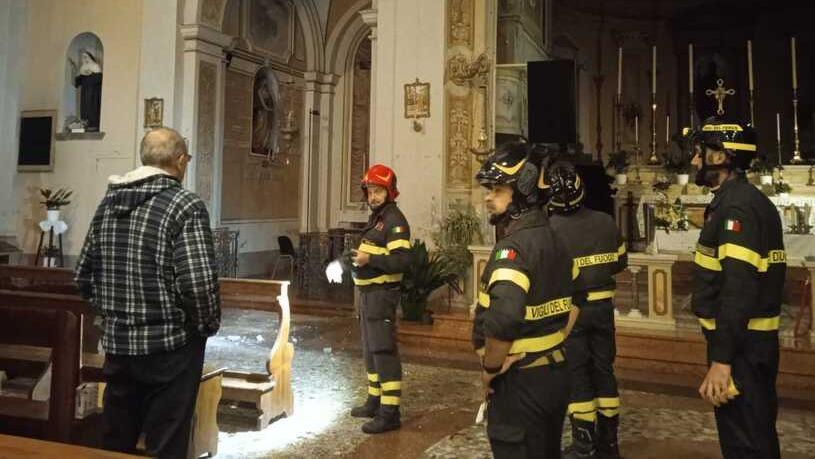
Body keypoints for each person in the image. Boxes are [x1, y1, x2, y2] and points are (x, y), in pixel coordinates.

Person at [75, 127, 221, 458]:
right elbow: (197, 284)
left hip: (119, 347)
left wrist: (114, 315)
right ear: (180, 161)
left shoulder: (108, 204)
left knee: (117, 443)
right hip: (170, 348)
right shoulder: (185, 205)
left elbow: (83, 275)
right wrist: (205, 325)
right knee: (166, 444)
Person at [471, 141, 583, 458]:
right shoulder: (555, 239)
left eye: (497, 190)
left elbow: (504, 320)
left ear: (523, 191)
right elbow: (578, 298)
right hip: (555, 372)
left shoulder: (513, 249)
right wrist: (551, 340)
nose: (488, 197)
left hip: (520, 380)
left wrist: (491, 368)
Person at [689, 119, 785, 459]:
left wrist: (722, 359)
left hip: (743, 347)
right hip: (746, 342)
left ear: (719, 157)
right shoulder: (739, 200)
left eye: (699, 153)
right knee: (752, 432)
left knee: (746, 440)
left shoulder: (737, 208)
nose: (694, 161)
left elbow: (738, 288)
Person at [547, 162, 627, 459]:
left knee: (577, 373)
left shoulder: (551, 229)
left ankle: (583, 445)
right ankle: (609, 443)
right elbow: (620, 262)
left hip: (572, 312)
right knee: (604, 370)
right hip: (603, 309)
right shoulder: (606, 222)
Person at [348, 163, 412, 434]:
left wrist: (369, 259)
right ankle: (374, 400)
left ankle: (390, 413)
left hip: (382, 296)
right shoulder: (378, 218)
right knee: (370, 350)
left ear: (390, 192)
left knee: (384, 351)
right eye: (370, 191)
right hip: (369, 296)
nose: (372, 197)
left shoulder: (395, 220)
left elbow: (402, 260)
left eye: (378, 191)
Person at [70, 49, 103, 131]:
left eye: (86, 57)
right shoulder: (83, 68)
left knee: (92, 107)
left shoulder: (95, 66)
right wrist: (74, 72)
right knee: (84, 106)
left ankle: (93, 124)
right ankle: (85, 123)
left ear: (90, 57)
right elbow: (78, 81)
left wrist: (90, 74)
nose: (84, 59)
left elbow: (99, 78)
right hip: (84, 92)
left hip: (93, 92)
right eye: (83, 57)